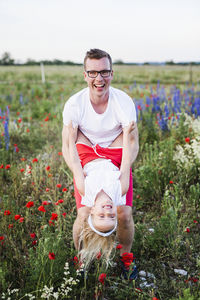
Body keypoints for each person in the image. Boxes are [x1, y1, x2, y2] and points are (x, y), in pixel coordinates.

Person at [62, 48, 139, 275]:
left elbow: (132, 142)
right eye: (93, 73)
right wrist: (77, 173)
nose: (99, 78)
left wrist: (124, 168)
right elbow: (68, 145)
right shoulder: (74, 104)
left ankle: (126, 259)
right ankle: (81, 259)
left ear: (112, 74)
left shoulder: (123, 101)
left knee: (124, 213)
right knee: (84, 213)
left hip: (116, 151)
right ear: (85, 75)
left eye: (104, 72)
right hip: (85, 151)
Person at [67, 121, 135, 267]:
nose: (107, 211)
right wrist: (126, 134)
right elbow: (126, 162)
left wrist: (72, 138)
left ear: (92, 210)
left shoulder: (85, 190)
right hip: (114, 155)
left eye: (101, 215)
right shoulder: (120, 191)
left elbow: (75, 162)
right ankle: (126, 261)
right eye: (111, 216)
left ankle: (81, 259)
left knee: (76, 127)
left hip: (88, 155)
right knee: (125, 130)